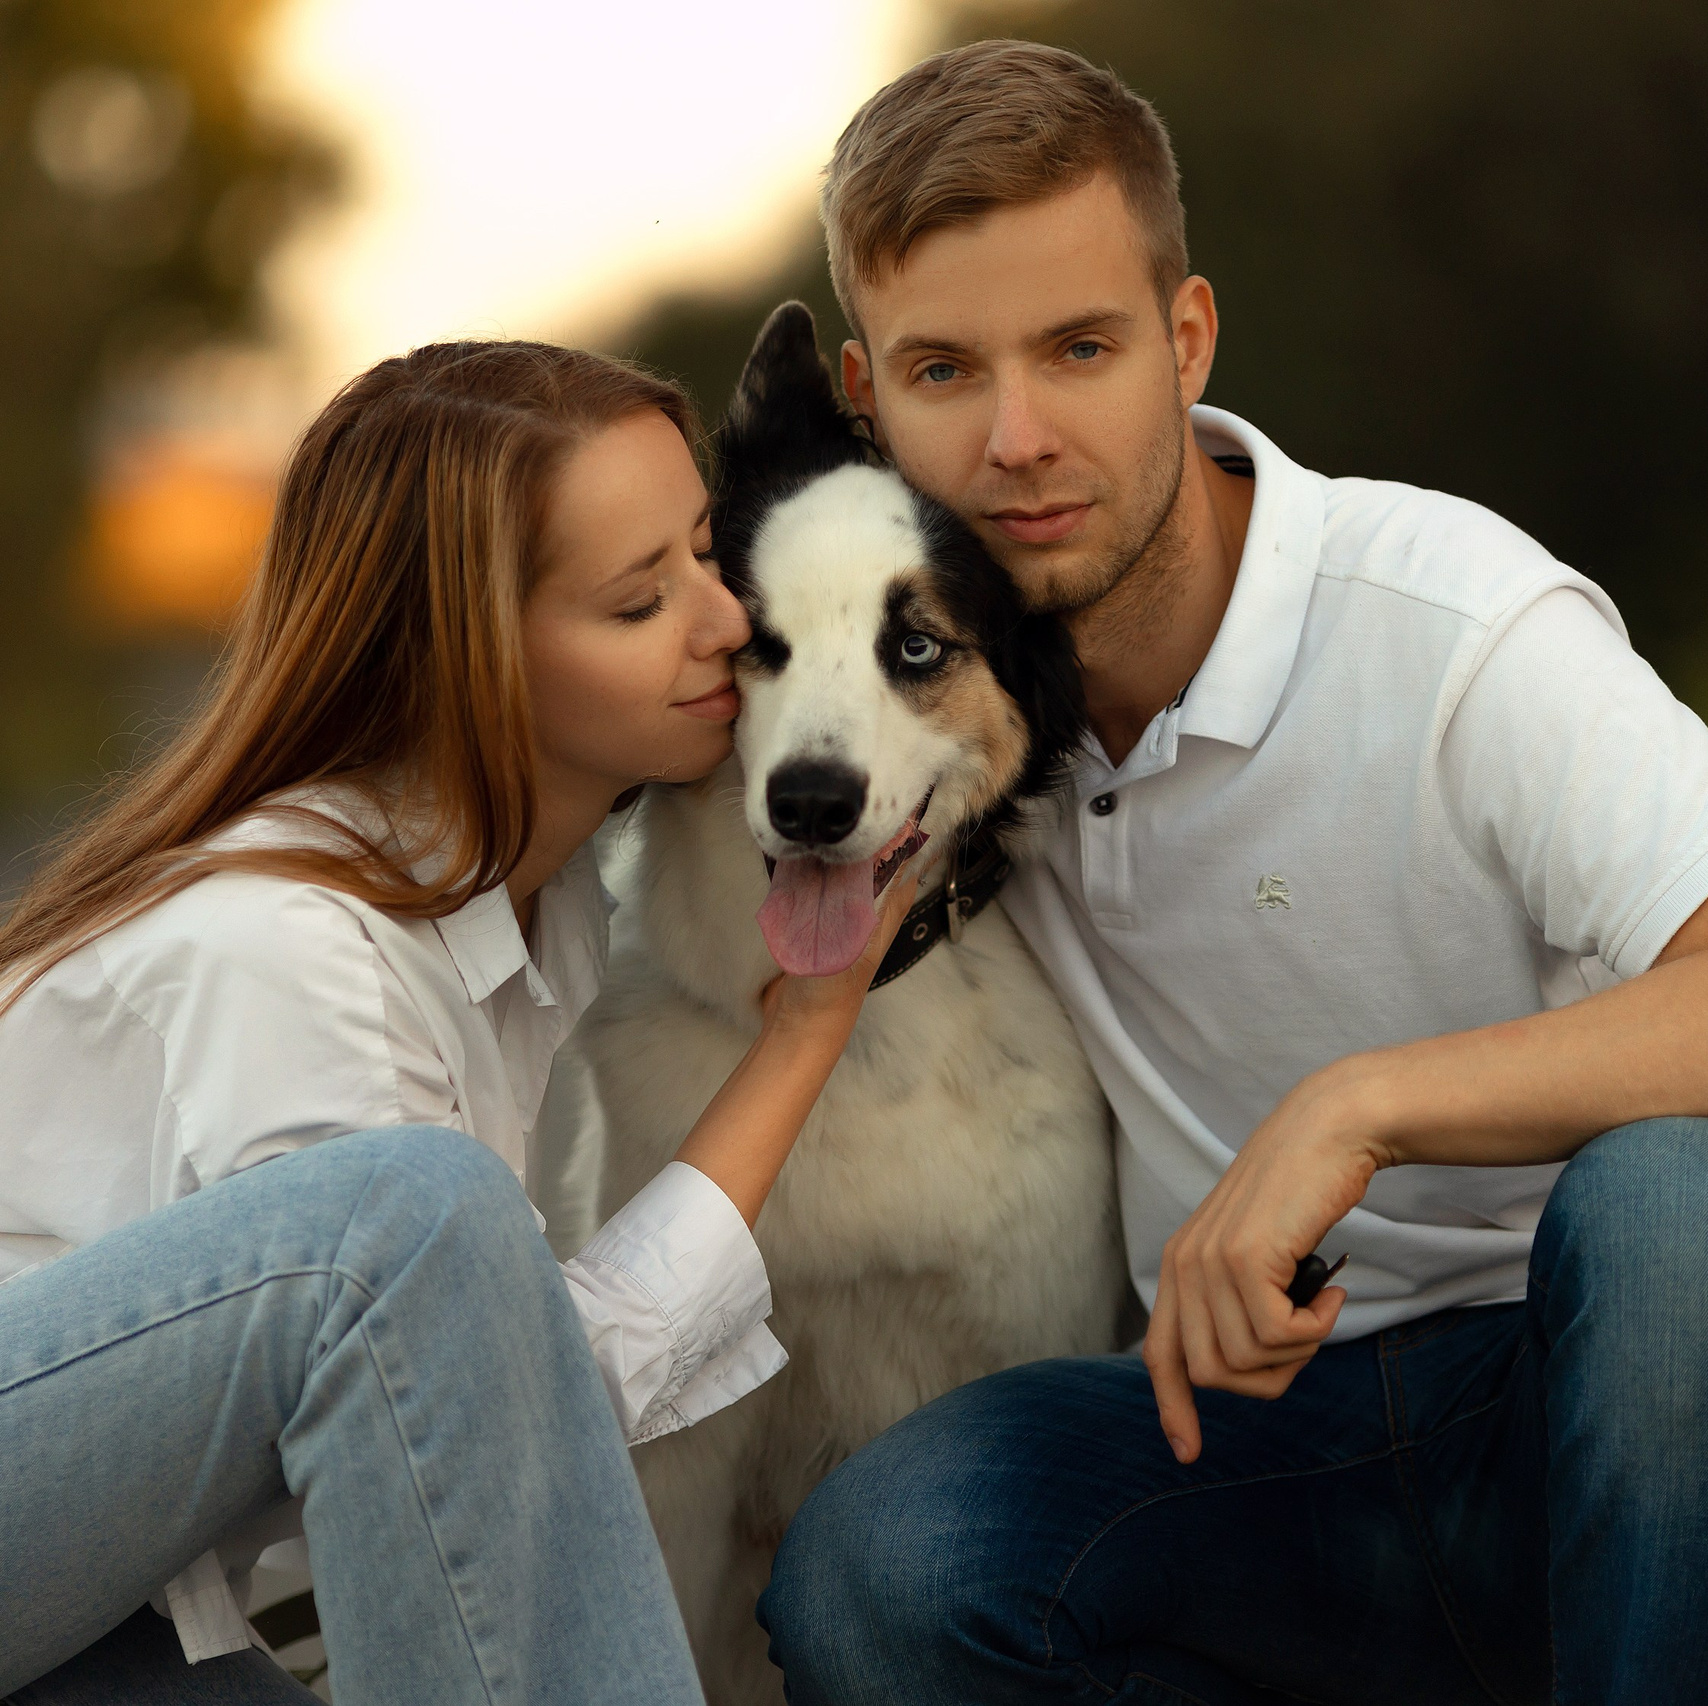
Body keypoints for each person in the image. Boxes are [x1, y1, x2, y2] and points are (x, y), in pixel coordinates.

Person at [758, 39, 1708, 1706]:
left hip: (1598, 1404)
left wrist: (1356, 1105)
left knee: (1677, 1201)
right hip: (1256, 1445)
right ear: (867, 397)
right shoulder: (931, 714)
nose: (1017, 436)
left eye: (1080, 349)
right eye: (943, 371)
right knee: (881, 1566)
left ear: (1186, 339)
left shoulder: (1454, 623)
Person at [0, 343, 916, 1703]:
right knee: (417, 1224)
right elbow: (472, 1417)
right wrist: (798, 1045)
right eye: (638, 600)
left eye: (709, 556)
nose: (728, 621)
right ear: (475, 657)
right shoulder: (293, 943)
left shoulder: (538, 915)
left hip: (132, 1589)